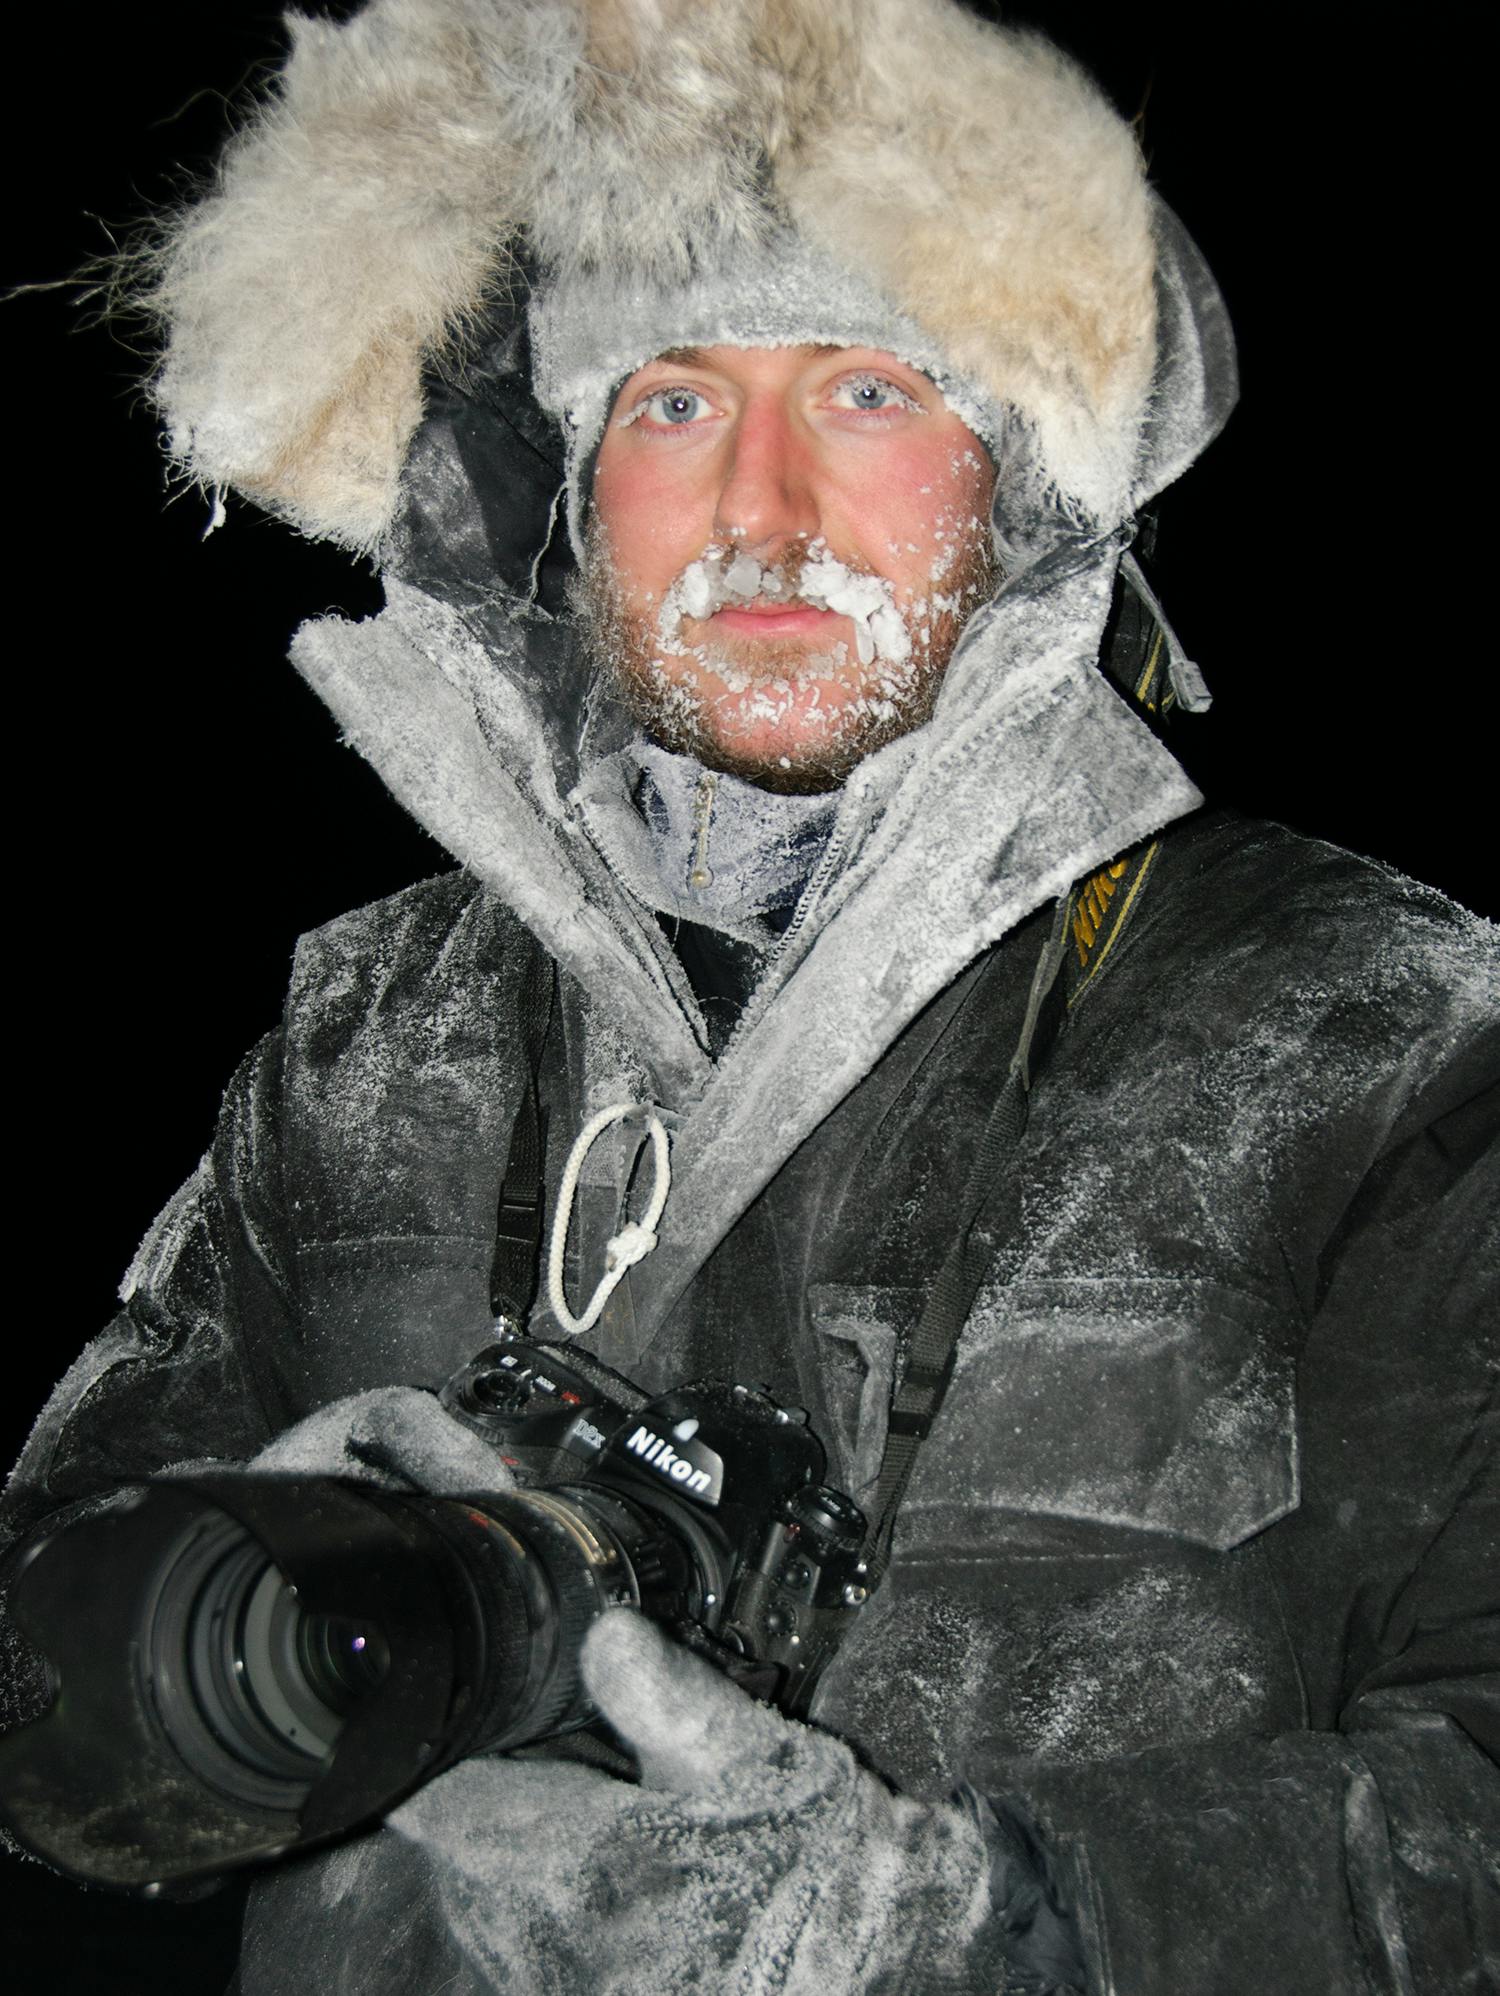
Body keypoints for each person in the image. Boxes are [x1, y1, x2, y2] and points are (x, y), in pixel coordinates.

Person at [3, 1, 1496, 1990]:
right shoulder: (367, 1043)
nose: (764, 511)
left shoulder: (1372, 1031)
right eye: (676, 403)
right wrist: (230, 1602)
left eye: (871, 391)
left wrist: (970, 1921)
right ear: (565, 487)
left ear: (1026, 476)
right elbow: (52, 1690)